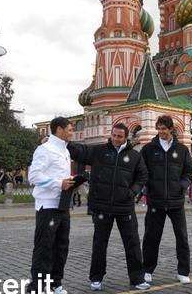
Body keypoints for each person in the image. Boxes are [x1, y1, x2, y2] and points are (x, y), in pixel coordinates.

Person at [67, 123, 151, 291]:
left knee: (132, 243)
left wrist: (132, 192)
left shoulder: (135, 156)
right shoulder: (100, 151)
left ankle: (137, 279)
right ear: (111, 135)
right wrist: (64, 143)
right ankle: (96, 278)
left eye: (119, 136)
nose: (116, 139)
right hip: (102, 206)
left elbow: (143, 175)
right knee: (99, 243)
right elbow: (81, 152)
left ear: (125, 137)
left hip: (125, 207)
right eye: (114, 135)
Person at [141, 115, 192, 285]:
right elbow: (141, 171)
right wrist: (147, 187)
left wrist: (182, 185)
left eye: (164, 129)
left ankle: (183, 271)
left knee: (182, 238)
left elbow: (188, 172)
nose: (161, 132)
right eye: (159, 129)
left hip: (176, 201)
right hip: (155, 201)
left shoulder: (182, 150)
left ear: (171, 129)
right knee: (151, 238)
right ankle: (147, 270)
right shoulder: (148, 149)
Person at [26, 117, 75, 294]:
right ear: (60, 130)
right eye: (70, 129)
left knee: (62, 246)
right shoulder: (44, 149)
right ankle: (37, 286)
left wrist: (71, 182)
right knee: (44, 247)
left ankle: (56, 283)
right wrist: (58, 183)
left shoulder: (65, 150)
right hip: (47, 206)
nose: (72, 132)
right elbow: (34, 176)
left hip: (63, 204)